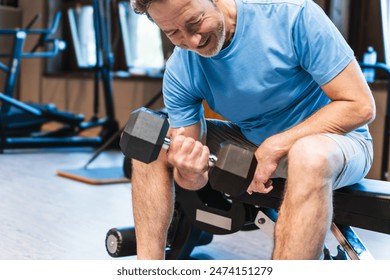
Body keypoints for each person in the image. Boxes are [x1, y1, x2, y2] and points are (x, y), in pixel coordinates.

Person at [129, 0, 376, 259]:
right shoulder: (181, 68)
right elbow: (192, 177)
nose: (192, 41)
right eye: (173, 33)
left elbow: (359, 106)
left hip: (337, 141)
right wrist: (189, 171)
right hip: (254, 146)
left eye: (195, 22)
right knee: (152, 136)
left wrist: (280, 144)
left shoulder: (292, 14)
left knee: (307, 152)